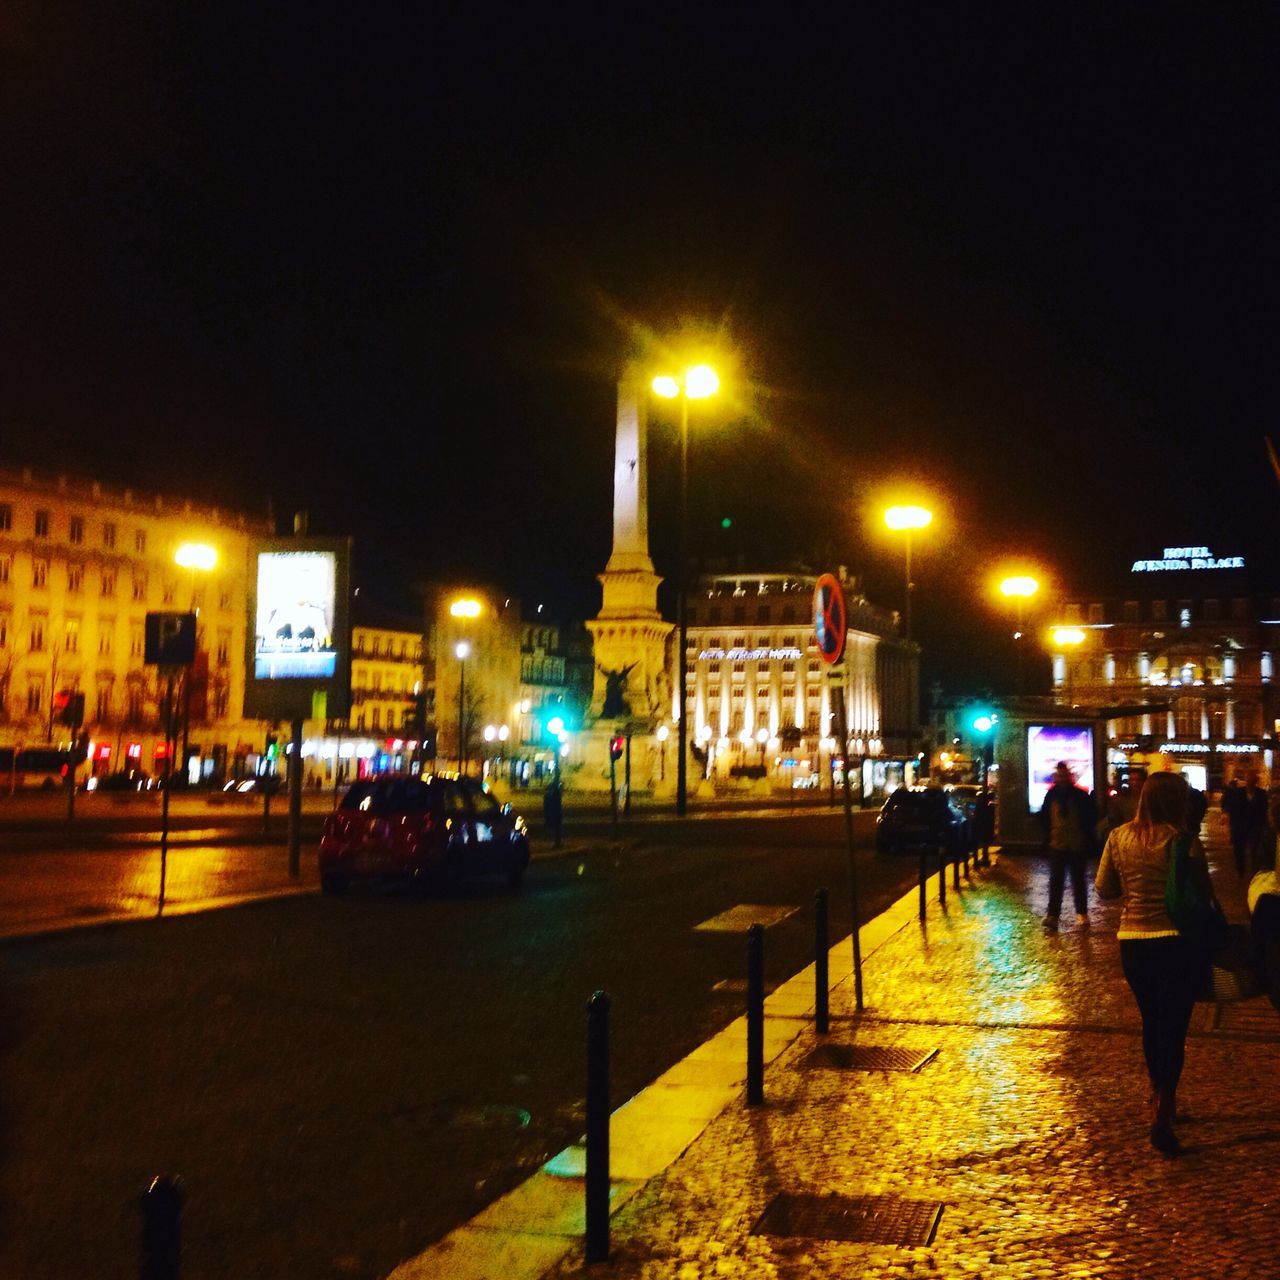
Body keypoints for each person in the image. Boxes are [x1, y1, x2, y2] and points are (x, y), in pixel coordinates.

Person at [1095, 771, 1218, 1155]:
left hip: (1134, 943)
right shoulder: (1183, 840)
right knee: (1175, 1026)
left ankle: (1156, 1094)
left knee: (1152, 1021)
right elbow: (1204, 894)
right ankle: (1166, 1101)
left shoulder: (1118, 837)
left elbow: (1104, 888)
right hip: (1178, 945)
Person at [1039, 762, 1098, 931]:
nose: (1062, 779)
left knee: (1077, 880)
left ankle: (1080, 914)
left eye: (1064, 776)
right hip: (1058, 843)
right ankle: (1054, 915)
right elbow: (1044, 816)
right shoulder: (1052, 796)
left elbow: (1091, 815)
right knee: (1056, 881)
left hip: (1075, 843)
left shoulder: (1079, 795)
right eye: (1059, 776)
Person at [1224, 773, 1268, 877]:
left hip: (1255, 826)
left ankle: (1254, 870)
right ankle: (1241, 870)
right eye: (1249, 781)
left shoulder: (1261, 794)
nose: (1250, 783)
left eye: (1252, 781)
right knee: (1239, 850)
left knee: (1255, 850)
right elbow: (1232, 809)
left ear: (1255, 782)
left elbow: (1264, 810)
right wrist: (1231, 826)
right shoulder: (1238, 793)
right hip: (1240, 826)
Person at [542, 774, 564, 849]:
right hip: (556, 813)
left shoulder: (549, 795)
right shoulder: (556, 794)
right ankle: (557, 842)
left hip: (553, 813)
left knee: (555, 828)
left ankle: (556, 843)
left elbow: (546, 805)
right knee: (557, 828)